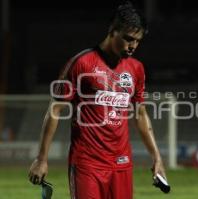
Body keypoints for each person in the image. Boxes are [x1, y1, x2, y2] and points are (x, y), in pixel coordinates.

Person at [28, 1, 167, 199]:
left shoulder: (136, 68)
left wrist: (157, 157)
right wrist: (41, 159)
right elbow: (54, 110)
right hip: (87, 163)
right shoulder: (81, 63)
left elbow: (140, 114)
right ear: (112, 31)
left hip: (121, 163)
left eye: (137, 41)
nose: (133, 46)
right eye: (128, 39)